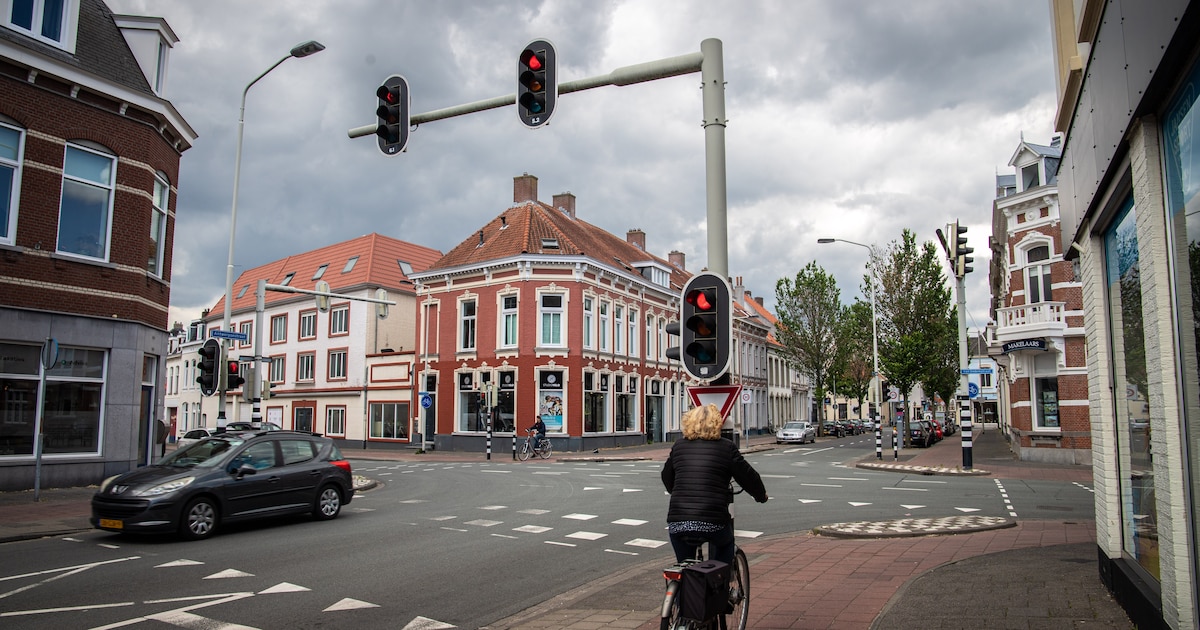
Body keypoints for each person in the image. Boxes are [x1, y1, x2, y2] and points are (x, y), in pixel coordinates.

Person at [661, 404, 768, 565]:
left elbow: (666, 477)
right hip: (713, 522)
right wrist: (761, 495)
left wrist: (677, 491)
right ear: (718, 424)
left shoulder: (679, 446)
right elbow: (748, 477)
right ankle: (720, 582)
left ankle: (681, 586)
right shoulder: (726, 447)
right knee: (725, 547)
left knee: (684, 567)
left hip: (678, 521)